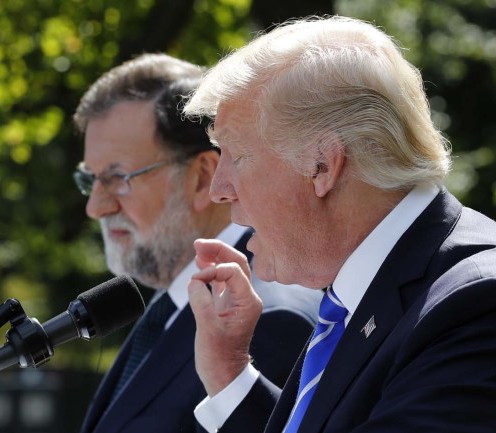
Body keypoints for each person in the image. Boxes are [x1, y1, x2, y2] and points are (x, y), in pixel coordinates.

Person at [182, 15, 496, 433]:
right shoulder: (367, 297)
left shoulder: (490, 301)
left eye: (237, 155)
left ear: (322, 165)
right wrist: (229, 373)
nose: (218, 189)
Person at [72, 53, 320, 433]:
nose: (95, 207)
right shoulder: (169, 303)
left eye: (118, 177)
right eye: (91, 180)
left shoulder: (266, 318)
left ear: (204, 178)